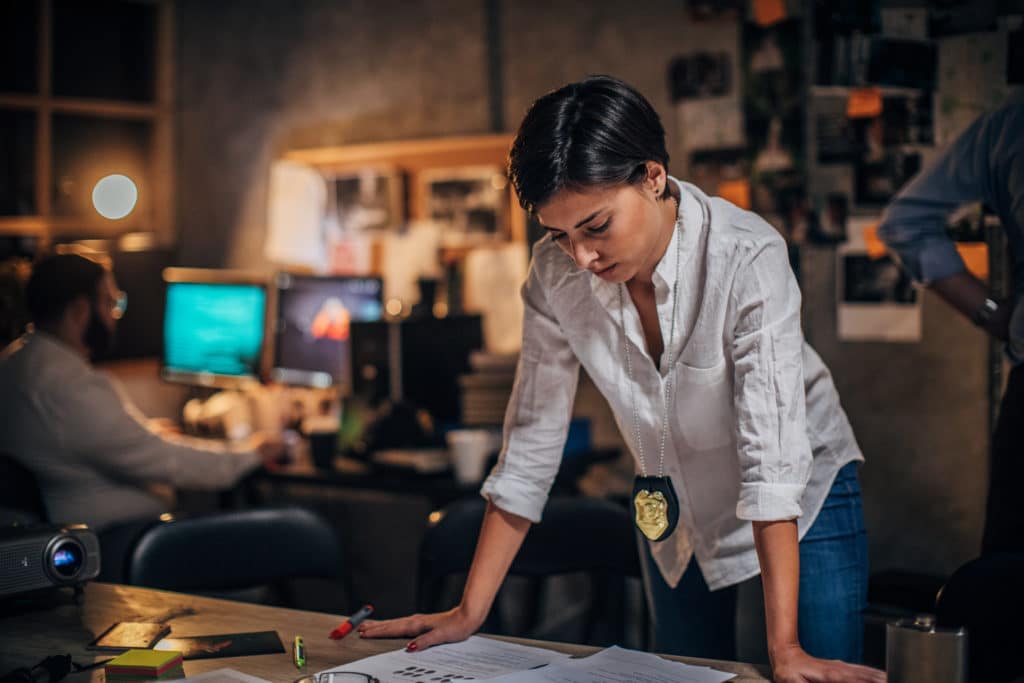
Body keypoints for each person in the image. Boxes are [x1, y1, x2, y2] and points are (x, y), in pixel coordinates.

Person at [361, 76, 884, 682]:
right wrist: (468, 611)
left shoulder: (747, 257)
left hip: (800, 494)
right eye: (560, 235)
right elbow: (531, 446)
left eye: (596, 226)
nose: (582, 257)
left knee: (805, 674)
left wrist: (785, 648)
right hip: (675, 505)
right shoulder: (555, 277)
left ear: (653, 177)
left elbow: (772, 463)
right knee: (685, 675)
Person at [0, 251, 280, 532]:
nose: (114, 317)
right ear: (80, 311)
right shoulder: (69, 385)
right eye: (111, 303)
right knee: (292, 528)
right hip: (117, 543)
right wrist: (251, 453)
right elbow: (172, 463)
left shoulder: (15, 363)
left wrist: (145, 433)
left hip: (91, 536)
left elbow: (94, 440)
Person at [877, 91, 1024, 555]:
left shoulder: (1008, 128)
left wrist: (1000, 317)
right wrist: (997, 316)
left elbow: (906, 223)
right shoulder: (1009, 129)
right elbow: (905, 224)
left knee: (1007, 596)